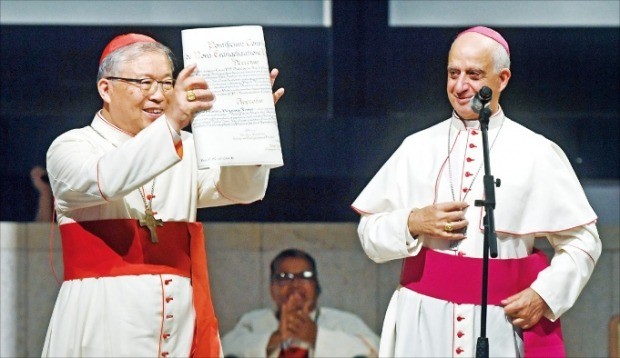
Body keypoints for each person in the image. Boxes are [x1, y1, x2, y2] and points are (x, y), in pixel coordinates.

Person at [352, 26, 602, 357]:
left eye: (473, 74)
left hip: (501, 323)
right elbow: (369, 235)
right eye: (453, 73)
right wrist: (412, 222)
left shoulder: (537, 152)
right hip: (423, 323)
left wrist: (544, 295)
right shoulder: (416, 148)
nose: (459, 86)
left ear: (502, 79)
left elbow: (584, 241)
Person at [42, 33, 284, 357]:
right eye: (144, 82)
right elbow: (107, 179)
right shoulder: (71, 147)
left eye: (167, 83)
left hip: (179, 329)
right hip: (101, 326)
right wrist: (171, 124)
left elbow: (241, 190)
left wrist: (248, 131)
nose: (158, 95)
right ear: (105, 89)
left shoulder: (187, 148)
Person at [221, 248, 380, 357]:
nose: (295, 284)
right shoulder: (253, 321)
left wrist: (316, 336)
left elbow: (377, 352)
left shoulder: (344, 322)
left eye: (304, 276)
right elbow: (223, 350)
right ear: (272, 288)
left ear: (316, 285)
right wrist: (275, 338)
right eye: (284, 277)